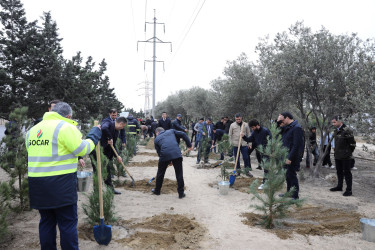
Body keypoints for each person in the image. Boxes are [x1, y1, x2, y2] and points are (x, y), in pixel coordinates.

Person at [26, 102, 101, 250]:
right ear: (68, 116)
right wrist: (94, 135)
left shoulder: (33, 130)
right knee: (67, 223)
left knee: (46, 221)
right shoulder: (65, 127)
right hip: (61, 185)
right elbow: (83, 148)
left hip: (38, 185)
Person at [153, 127, 193, 198]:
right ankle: (181, 193)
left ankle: (157, 191)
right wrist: (189, 145)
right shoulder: (171, 131)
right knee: (179, 174)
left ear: (157, 133)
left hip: (164, 155)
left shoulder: (156, 139)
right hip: (176, 154)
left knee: (160, 173)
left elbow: (159, 153)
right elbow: (183, 134)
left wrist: (167, 161)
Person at [277, 112, 304, 200]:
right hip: (285, 156)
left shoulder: (297, 128)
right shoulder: (287, 128)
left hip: (292, 158)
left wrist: (289, 158)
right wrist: (278, 121)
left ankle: (295, 196)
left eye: (283, 119)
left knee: (292, 175)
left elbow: (297, 145)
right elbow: (277, 131)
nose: (282, 121)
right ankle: (289, 192)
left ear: (287, 118)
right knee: (287, 175)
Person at [330, 115, 356, 196]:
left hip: (346, 156)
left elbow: (352, 144)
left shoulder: (347, 130)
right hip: (338, 155)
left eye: (334, 122)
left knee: (347, 173)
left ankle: (349, 190)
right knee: (339, 172)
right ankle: (339, 186)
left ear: (339, 121)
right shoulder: (336, 130)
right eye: (332, 122)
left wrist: (347, 152)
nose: (333, 124)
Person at [101, 116, 128, 194]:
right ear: (120, 123)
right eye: (123, 126)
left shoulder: (116, 131)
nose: (122, 128)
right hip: (99, 152)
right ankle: (98, 191)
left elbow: (113, 145)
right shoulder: (108, 123)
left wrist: (117, 156)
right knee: (99, 171)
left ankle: (110, 189)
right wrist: (109, 137)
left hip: (107, 153)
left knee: (107, 171)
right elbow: (104, 128)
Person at [242, 119, 272, 189]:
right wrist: (243, 136)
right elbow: (249, 139)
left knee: (266, 168)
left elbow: (271, 140)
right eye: (251, 128)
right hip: (261, 151)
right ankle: (266, 180)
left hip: (267, 151)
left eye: (253, 127)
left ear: (257, 125)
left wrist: (269, 149)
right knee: (265, 167)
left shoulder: (265, 131)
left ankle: (265, 183)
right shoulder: (254, 132)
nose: (252, 129)